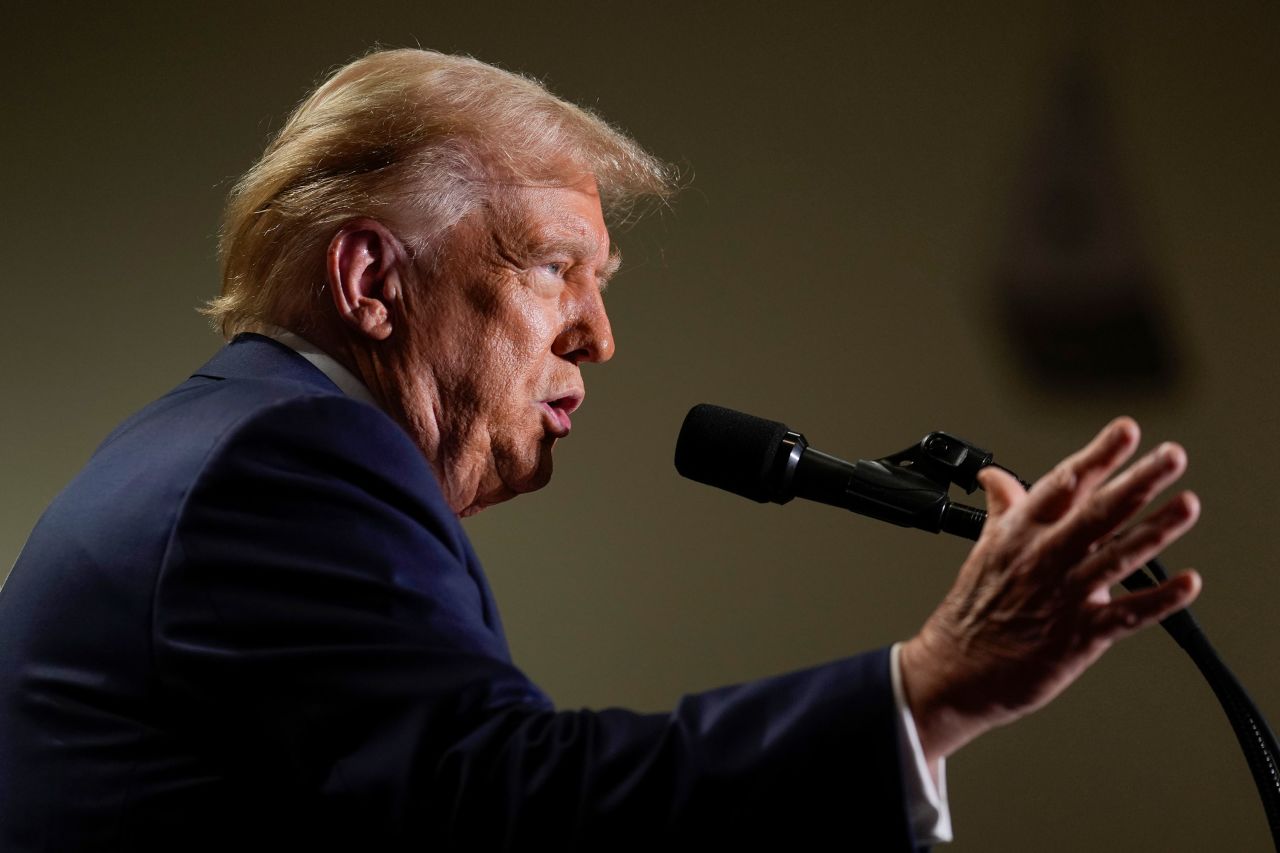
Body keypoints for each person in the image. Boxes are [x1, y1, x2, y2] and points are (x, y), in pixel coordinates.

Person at [0, 48, 1201, 851]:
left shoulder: (228, 444)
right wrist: (929, 688)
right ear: (371, 280)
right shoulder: (288, 463)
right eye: (551, 267)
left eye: (603, 278)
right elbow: (505, 808)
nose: (600, 334)